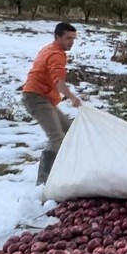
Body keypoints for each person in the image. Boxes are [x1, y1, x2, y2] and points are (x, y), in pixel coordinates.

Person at [22, 22, 83, 185]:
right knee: (56, 137)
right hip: (36, 98)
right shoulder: (55, 54)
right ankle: (43, 182)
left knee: (69, 131)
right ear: (57, 37)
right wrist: (72, 97)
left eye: (73, 39)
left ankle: (67, 172)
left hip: (43, 98)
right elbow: (59, 82)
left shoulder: (51, 49)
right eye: (68, 38)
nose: (71, 42)